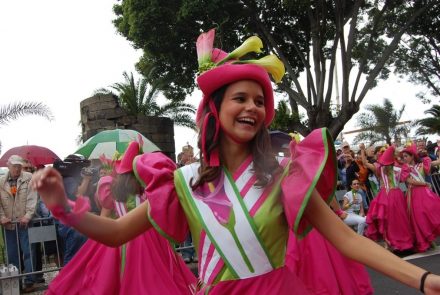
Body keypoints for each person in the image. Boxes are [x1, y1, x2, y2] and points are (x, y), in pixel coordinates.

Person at [32, 29, 440, 294]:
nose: (252, 108)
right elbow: (118, 232)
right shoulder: (184, 182)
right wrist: (62, 207)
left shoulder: (283, 177)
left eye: (260, 101)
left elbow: (348, 239)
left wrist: (423, 280)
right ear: (215, 109)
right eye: (240, 99)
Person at [45, 145, 196, 294]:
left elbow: (105, 216)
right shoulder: (148, 190)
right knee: (155, 278)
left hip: (119, 239)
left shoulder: (112, 189)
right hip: (150, 239)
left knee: (114, 280)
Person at [361, 145, 414, 252]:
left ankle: (394, 243)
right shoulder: (394, 167)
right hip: (392, 194)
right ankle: (393, 242)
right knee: (396, 219)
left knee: (394, 219)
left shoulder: (392, 167)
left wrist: (362, 150)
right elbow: (365, 163)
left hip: (389, 195)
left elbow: (365, 163)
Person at [0, 155, 37, 292]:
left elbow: (32, 198)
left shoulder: (29, 177)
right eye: (14, 166)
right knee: (12, 254)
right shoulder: (1, 181)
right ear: (8, 165)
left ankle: (30, 281)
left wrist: (28, 216)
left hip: (24, 223)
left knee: (28, 252)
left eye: (19, 166)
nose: (17, 168)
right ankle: (16, 283)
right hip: (8, 224)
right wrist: (2, 217)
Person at [401, 143, 440, 252]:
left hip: (425, 193)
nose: (404, 159)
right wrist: (425, 184)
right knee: (419, 218)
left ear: (412, 156)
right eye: (403, 157)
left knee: (431, 213)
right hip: (413, 194)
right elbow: (409, 181)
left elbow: (435, 163)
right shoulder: (405, 168)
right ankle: (427, 240)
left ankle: (430, 237)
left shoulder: (422, 164)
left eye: (406, 156)